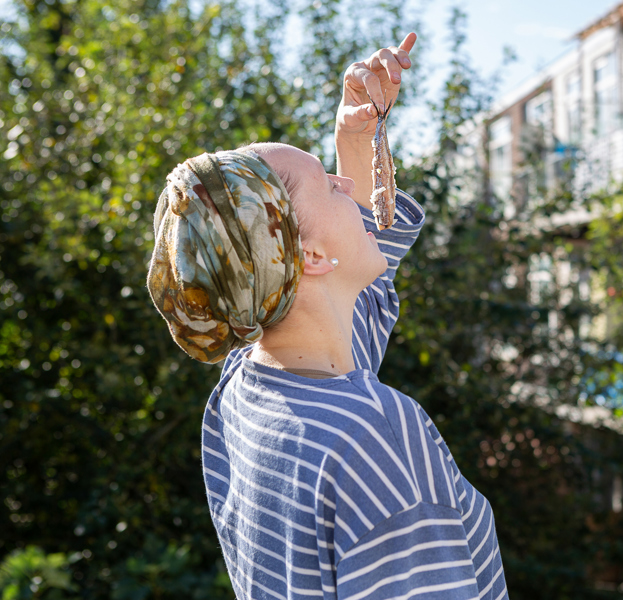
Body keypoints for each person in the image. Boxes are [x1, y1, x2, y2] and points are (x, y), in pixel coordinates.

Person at [146, 32, 508, 599]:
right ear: (309, 257)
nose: (345, 184)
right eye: (328, 184)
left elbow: (345, 299)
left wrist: (354, 139)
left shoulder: (248, 386)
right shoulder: (376, 437)